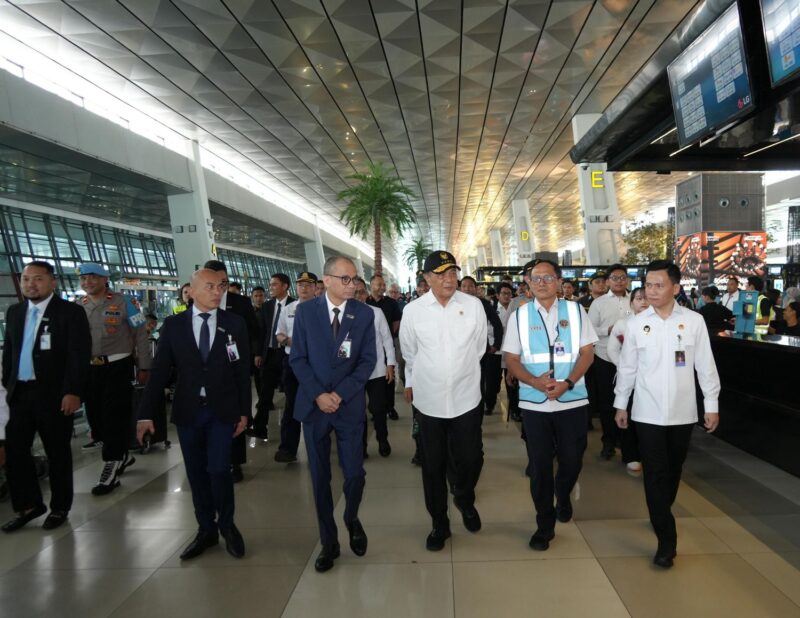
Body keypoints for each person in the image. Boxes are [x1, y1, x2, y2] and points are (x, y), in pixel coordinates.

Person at [137, 268, 250, 560]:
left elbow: (241, 371)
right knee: (196, 473)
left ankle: (227, 525)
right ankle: (206, 529)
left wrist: (244, 412)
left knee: (218, 469)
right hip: (188, 411)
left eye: (220, 286)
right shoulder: (174, 325)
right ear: (192, 291)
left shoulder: (234, 323)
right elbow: (160, 371)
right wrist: (145, 413)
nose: (217, 292)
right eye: (210, 286)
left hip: (222, 411)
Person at [614, 260, 720, 569]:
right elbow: (628, 368)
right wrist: (622, 403)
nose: (652, 290)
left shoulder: (694, 321)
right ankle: (666, 538)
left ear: (675, 287)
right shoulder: (636, 323)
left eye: (658, 285)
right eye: (648, 285)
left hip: (683, 412)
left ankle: (661, 510)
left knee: (674, 470)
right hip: (646, 412)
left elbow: (705, 365)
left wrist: (710, 405)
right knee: (656, 472)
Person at [503, 259, 597, 552]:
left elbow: (587, 354)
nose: (541, 282)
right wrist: (533, 381)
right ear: (528, 284)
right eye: (535, 278)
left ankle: (564, 491)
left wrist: (567, 382)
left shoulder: (576, 311)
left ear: (559, 281)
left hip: (572, 399)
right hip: (535, 403)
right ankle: (544, 525)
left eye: (547, 277)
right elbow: (512, 360)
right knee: (540, 466)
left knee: (572, 459)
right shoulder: (519, 316)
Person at [289, 256, 376, 573]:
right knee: (320, 477)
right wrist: (319, 394)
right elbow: (297, 358)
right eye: (345, 279)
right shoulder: (306, 312)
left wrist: (339, 394)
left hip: (348, 405)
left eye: (354, 279)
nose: (352, 284)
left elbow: (367, 362)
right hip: (314, 408)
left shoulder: (363, 314)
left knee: (354, 473)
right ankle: (329, 542)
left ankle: (351, 517)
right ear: (326, 281)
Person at [400, 251, 487, 552]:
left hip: (466, 397)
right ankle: (440, 522)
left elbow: (478, 348)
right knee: (433, 465)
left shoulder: (473, 306)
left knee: (471, 457)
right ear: (426, 279)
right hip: (430, 401)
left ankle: (464, 498)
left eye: (453, 272)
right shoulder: (413, 311)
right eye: (440, 274)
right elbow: (410, 353)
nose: (449, 279)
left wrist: (458, 374)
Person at [2, 261, 90, 532]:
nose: (31, 284)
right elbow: (10, 354)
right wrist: (8, 386)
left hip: (54, 395)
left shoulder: (70, 313)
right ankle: (29, 505)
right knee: (15, 450)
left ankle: (60, 507)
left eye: (38, 279)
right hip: (21, 393)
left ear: (53, 281)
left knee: (57, 452)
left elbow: (78, 355)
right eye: (26, 279)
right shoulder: (15, 312)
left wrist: (73, 391)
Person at [77, 263, 151, 495]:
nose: (88, 282)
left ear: (104, 279)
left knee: (114, 415)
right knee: (96, 419)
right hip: (90, 369)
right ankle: (120, 453)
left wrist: (144, 365)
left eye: (93, 277)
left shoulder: (125, 302)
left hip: (118, 366)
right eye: (84, 278)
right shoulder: (79, 305)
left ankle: (112, 463)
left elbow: (141, 333)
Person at [204, 260, 261, 483]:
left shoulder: (240, 303)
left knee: (235, 413)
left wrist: (252, 354)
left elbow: (253, 331)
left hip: (234, 367)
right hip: (207, 369)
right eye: (212, 282)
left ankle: (235, 462)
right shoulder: (197, 302)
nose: (218, 287)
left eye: (222, 282)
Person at [588, 264, 631, 460]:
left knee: (629, 401)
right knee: (607, 402)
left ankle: (627, 442)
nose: (619, 281)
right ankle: (608, 441)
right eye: (615, 278)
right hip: (605, 357)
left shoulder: (636, 299)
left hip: (632, 360)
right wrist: (609, 329)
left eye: (622, 277)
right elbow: (589, 329)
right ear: (608, 282)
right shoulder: (599, 303)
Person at [272, 272, 317, 463]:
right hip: (293, 363)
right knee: (291, 405)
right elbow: (279, 334)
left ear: (315, 287)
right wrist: (293, 341)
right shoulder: (289, 309)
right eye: (300, 285)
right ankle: (288, 448)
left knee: (318, 404)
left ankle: (318, 445)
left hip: (316, 364)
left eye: (308, 285)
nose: (304, 288)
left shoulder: (324, 309)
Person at [606, 287, 649, 472]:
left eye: (646, 298)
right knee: (627, 415)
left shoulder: (660, 324)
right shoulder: (623, 324)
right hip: (628, 379)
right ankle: (630, 454)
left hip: (650, 381)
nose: (643, 302)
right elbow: (611, 350)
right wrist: (624, 366)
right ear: (631, 303)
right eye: (639, 298)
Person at [354, 278, 396, 457]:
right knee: (357, 412)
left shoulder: (376, 312)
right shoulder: (341, 315)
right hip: (352, 373)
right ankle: (360, 446)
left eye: (362, 292)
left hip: (377, 370)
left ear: (367, 293)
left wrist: (390, 364)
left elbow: (387, 340)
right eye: (355, 292)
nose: (358, 296)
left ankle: (383, 439)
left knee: (378, 409)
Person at [253, 273, 294, 442]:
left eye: (274, 284)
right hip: (269, 354)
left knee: (290, 395)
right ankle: (259, 428)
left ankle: (288, 435)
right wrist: (258, 353)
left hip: (287, 354)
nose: (271, 288)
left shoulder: (295, 306)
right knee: (265, 393)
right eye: (270, 284)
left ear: (285, 286)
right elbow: (261, 332)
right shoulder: (268, 307)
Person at [459, 276, 503, 416]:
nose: (467, 289)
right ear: (460, 288)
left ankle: (481, 406)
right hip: (460, 352)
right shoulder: (454, 303)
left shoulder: (483, 303)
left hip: (481, 351)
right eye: (464, 286)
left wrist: (495, 344)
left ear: (476, 288)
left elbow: (497, 324)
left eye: (470, 286)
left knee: (481, 380)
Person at [366, 274, 402, 421]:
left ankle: (390, 407)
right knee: (374, 380)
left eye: (383, 285)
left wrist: (386, 337)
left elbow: (396, 322)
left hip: (387, 346)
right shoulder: (364, 302)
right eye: (378, 284)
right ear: (371, 286)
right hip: (370, 348)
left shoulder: (391, 303)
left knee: (389, 378)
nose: (382, 287)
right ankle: (376, 408)